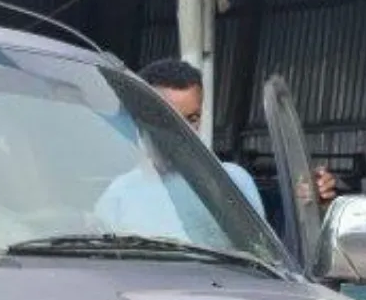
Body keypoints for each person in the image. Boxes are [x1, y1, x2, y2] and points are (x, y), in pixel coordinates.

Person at [136, 59, 338, 211]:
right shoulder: (117, 198)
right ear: (141, 117)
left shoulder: (233, 182)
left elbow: (270, 247)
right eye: (169, 118)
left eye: (193, 118)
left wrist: (309, 200)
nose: (184, 130)